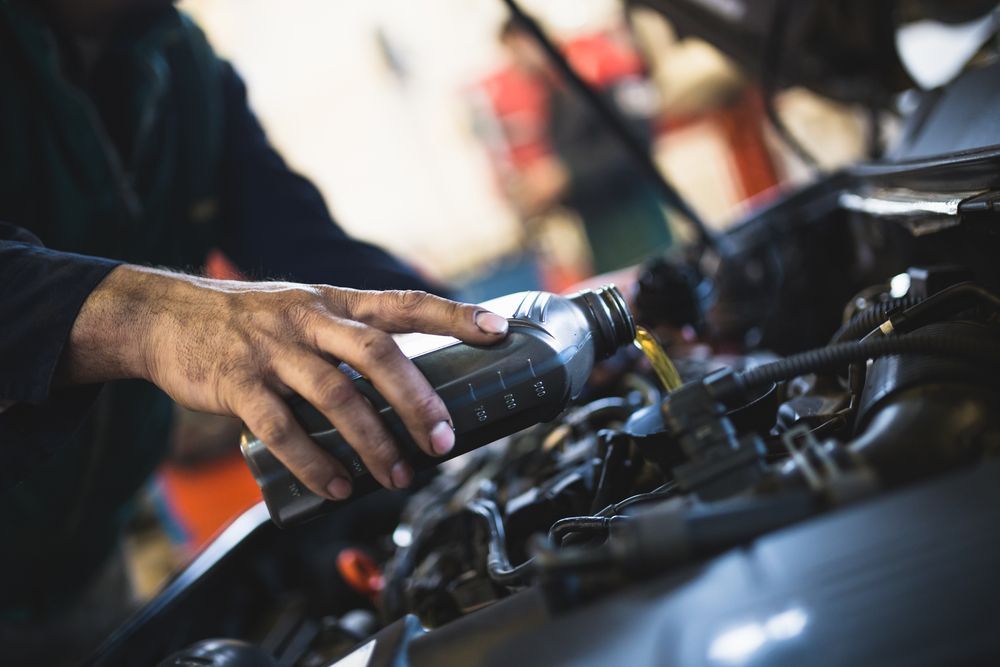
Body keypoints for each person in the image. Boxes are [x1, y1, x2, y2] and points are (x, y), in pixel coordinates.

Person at [0, 0, 508, 661]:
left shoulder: (181, 60)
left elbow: (308, 246)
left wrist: (505, 340)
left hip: (90, 566)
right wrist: (149, 314)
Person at [497, 18, 673, 274]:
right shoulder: (555, 100)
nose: (516, 65)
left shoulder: (599, 68)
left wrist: (566, 173)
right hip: (601, 234)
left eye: (515, 51)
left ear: (533, 39)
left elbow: (638, 141)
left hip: (637, 222)